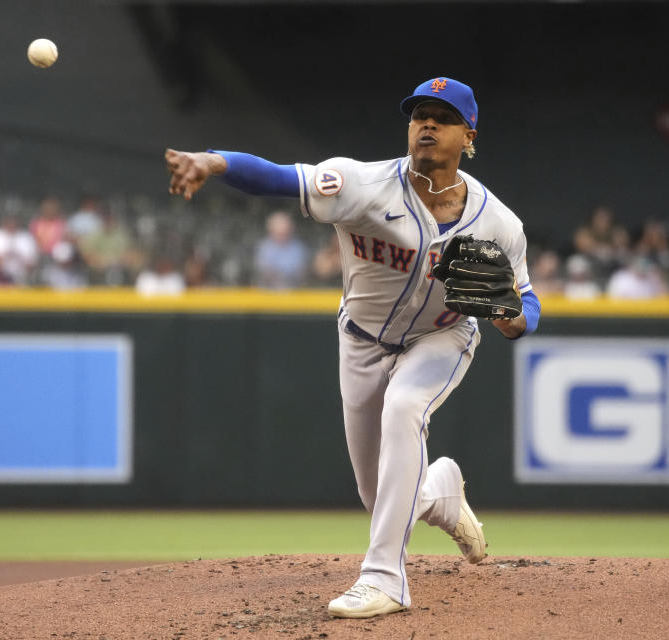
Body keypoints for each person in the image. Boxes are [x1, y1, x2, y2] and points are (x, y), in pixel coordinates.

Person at [165, 76, 541, 619]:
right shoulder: (363, 185)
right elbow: (277, 178)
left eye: (442, 116)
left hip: (443, 336)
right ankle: (440, 491)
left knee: (405, 408)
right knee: (380, 496)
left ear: (469, 135)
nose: (427, 124)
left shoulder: (499, 222)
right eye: (419, 115)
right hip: (362, 341)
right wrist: (213, 161)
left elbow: (526, 303)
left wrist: (511, 319)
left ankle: (385, 579)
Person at [253, 211, 309, 289]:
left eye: (286, 231)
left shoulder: (298, 247)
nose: (284, 236)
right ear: (271, 231)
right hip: (269, 290)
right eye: (280, 233)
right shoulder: (265, 248)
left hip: (294, 290)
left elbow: (301, 272)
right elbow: (264, 271)